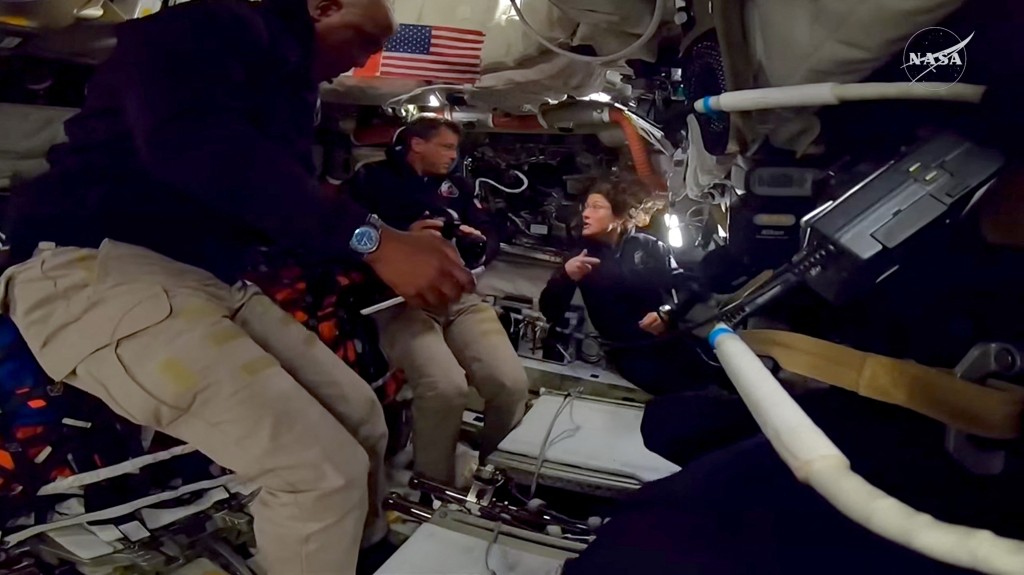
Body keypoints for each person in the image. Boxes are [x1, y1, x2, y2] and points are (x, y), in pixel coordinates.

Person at [0, 1, 479, 573]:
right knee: (317, 473)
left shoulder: (289, 91)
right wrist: (373, 240)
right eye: (363, 40)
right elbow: (200, 149)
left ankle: (364, 553)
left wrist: (385, 252)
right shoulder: (208, 27)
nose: (364, 60)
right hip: (97, 269)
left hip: (208, 276)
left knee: (362, 420)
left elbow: (277, 207)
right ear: (322, 6)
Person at [346, 115, 530, 487]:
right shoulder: (371, 180)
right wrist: (399, 239)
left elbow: (489, 230)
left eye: (455, 149)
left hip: (458, 298)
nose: (452, 156)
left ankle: (496, 477)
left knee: (510, 384)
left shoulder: (456, 187)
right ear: (417, 144)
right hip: (399, 301)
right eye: (446, 147)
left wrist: (478, 244)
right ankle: (434, 487)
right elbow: (347, 237)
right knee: (445, 389)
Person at [539, 179, 717, 396]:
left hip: (670, 340)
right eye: (585, 207)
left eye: (596, 207)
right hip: (628, 353)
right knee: (689, 393)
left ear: (619, 216)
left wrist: (668, 312)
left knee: (721, 374)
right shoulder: (580, 257)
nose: (585, 214)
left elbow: (691, 286)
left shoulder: (649, 246)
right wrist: (566, 277)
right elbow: (549, 310)